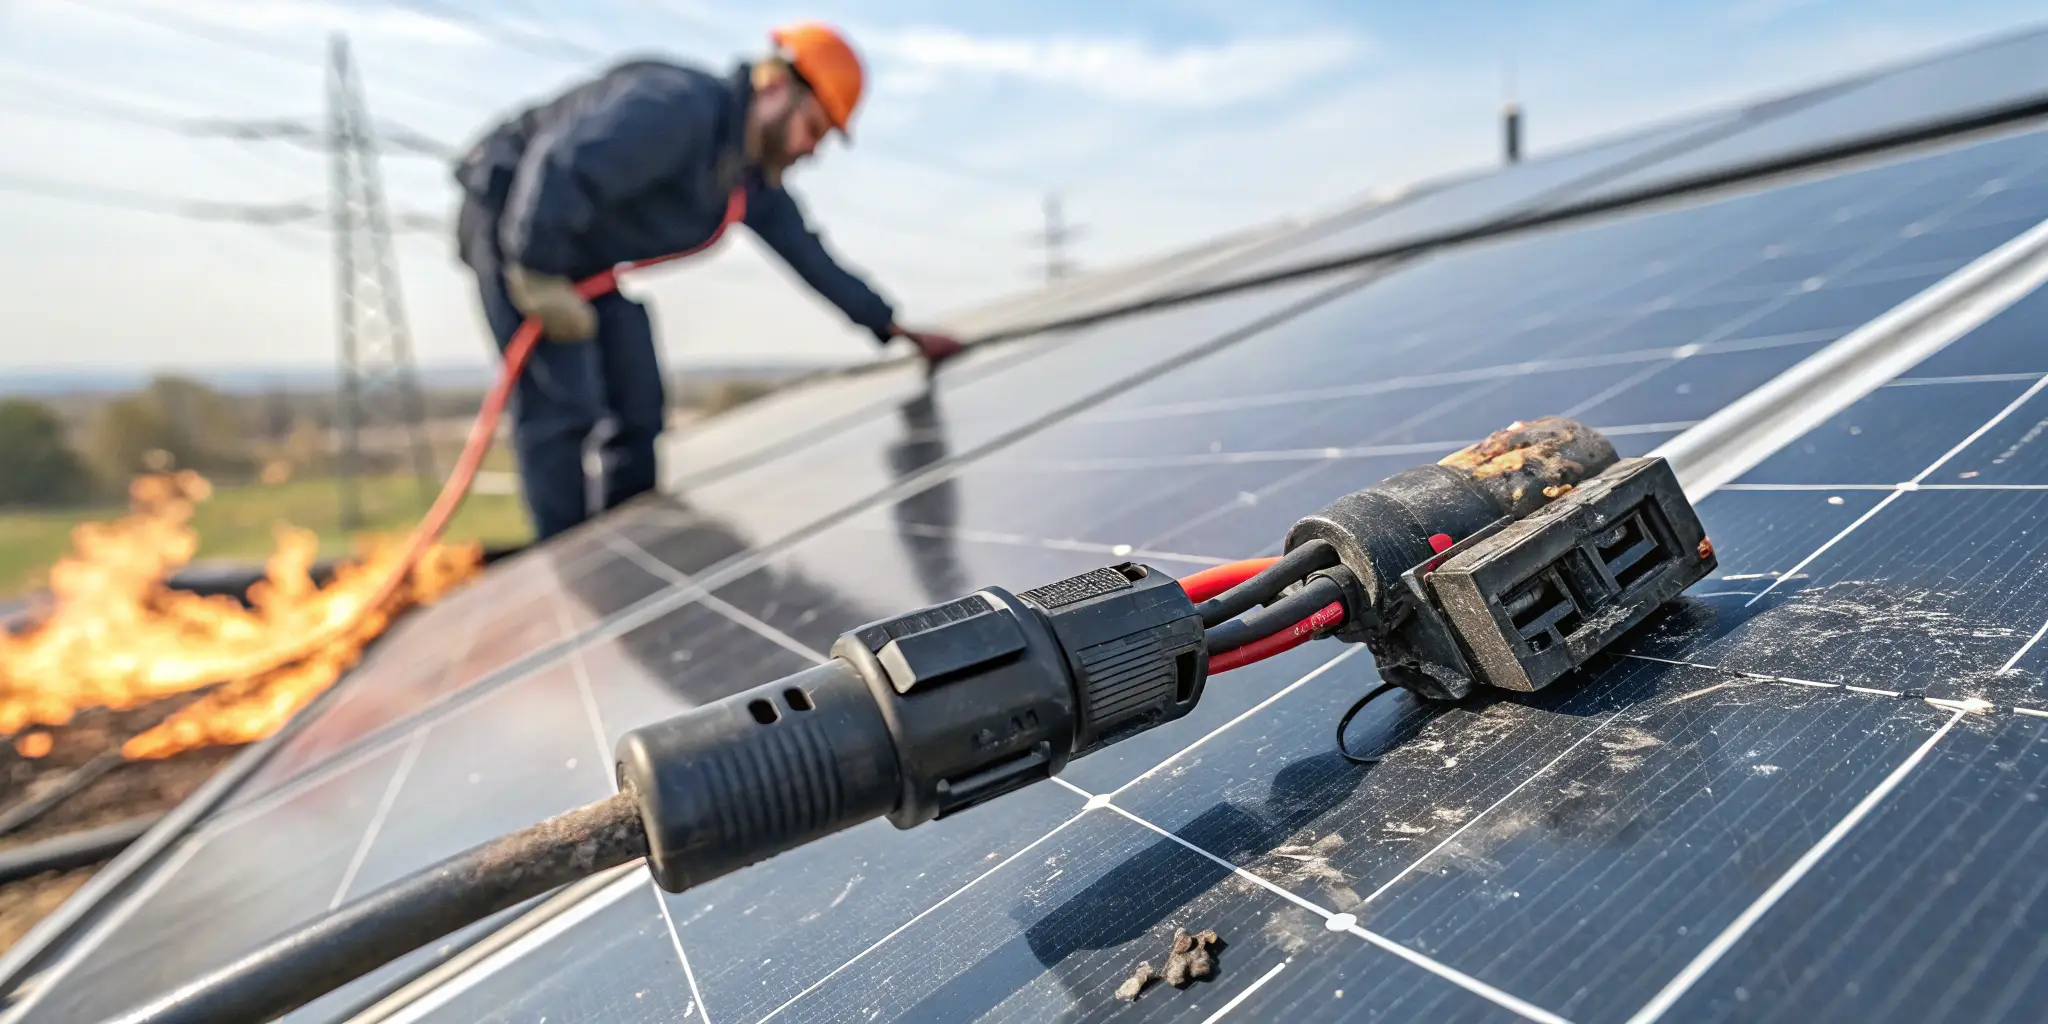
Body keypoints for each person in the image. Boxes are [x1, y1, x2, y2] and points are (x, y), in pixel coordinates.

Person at [451, 22, 965, 540]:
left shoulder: (744, 178)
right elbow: (561, 164)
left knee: (636, 402)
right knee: (562, 406)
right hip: (515, 221)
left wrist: (890, 325)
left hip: (579, 255)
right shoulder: (677, 108)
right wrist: (536, 272)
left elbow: (811, 257)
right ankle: (566, 558)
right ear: (775, 86)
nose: (812, 150)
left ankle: (628, 549)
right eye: (813, 128)